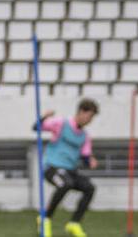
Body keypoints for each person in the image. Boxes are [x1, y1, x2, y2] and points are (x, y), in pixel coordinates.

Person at [35, 99, 99, 237]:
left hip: (70, 170)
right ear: (81, 112)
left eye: (92, 118)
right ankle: (45, 219)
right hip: (51, 167)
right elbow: (36, 127)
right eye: (89, 116)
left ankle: (74, 224)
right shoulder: (61, 123)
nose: (89, 121)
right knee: (65, 184)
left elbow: (85, 156)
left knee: (90, 187)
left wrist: (90, 160)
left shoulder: (85, 136)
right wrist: (44, 116)